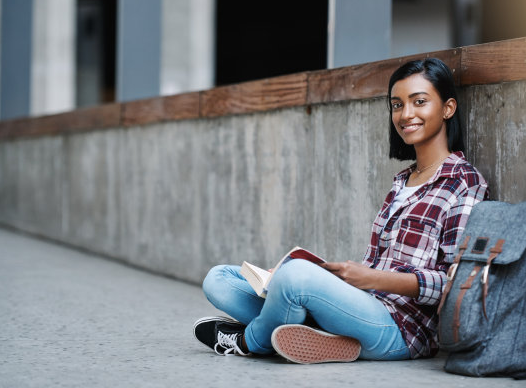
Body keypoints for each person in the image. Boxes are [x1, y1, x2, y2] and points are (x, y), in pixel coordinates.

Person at [192, 58, 489, 364]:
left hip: (401, 329)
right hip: (363, 304)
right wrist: (333, 274)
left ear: (448, 108)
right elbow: (374, 267)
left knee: (294, 278)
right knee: (220, 279)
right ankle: (309, 333)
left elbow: (451, 283)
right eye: (397, 105)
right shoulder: (403, 181)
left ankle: (249, 340)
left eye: (420, 102)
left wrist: (370, 278)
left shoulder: (464, 183)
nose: (406, 114)